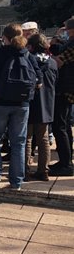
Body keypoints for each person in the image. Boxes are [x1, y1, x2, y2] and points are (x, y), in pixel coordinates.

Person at [0, 23, 42, 190]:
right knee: (19, 142)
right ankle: (16, 181)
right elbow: (39, 82)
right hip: (22, 105)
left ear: (4, 37)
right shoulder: (29, 56)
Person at [25, 34, 58, 181]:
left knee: (27, 138)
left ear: (30, 47)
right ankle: (43, 170)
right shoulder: (52, 62)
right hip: (47, 104)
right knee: (43, 139)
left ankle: (24, 169)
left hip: (30, 103)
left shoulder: (28, 60)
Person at [50, 17, 74, 176]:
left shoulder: (73, 44)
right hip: (67, 87)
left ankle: (66, 164)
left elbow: (59, 61)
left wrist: (47, 61)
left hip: (66, 88)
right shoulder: (70, 43)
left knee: (60, 126)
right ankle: (66, 160)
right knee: (64, 126)